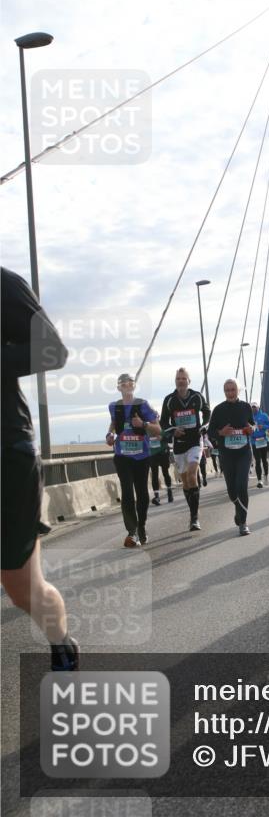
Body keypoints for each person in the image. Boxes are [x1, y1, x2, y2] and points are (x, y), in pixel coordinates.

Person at [1, 267, 79, 671]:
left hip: (6, 457)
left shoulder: (5, 285)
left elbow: (53, 350)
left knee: (22, 588)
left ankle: (61, 643)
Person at [106, 374, 161, 547]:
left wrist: (143, 424)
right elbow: (114, 424)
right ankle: (132, 531)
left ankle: (141, 526)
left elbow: (158, 430)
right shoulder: (114, 406)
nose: (127, 385)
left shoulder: (143, 405)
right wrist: (110, 435)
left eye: (130, 382)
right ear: (119, 388)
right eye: (123, 383)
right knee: (127, 491)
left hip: (141, 456)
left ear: (134, 385)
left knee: (142, 494)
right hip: (122, 456)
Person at [160, 368, 210, 532]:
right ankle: (192, 511)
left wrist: (203, 427)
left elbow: (207, 412)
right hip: (179, 444)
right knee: (185, 482)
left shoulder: (197, 396)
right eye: (178, 378)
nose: (181, 381)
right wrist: (173, 430)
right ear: (175, 381)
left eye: (184, 378)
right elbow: (163, 423)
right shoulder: (169, 400)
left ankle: (195, 518)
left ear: (189, 381)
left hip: (195, 441)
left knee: (191, 474)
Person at [207, 379, 254, 535]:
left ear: (238, 390)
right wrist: (221, 432)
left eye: (233, 389)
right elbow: (210, 432)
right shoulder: (218, 409)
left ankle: (243, 522)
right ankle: (238, 508)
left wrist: (250, 429)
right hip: (226, 454)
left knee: (242, 486)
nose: (230, 393)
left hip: (244, 452)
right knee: (232, 491)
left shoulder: (246, 407)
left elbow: (252, 425)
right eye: (227, 390)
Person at [148, 426, 173, 505]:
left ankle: (169, 491)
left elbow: (170, 438)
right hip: (152, 454)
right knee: (154, 474)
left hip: (163, 452)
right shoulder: (145, 429)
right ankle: (156, 497)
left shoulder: (162, 426)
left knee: (165, 472)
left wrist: (162, 438)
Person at [250, 401, 269, 487]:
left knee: (264, 460)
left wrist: (263, 427)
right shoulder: (249, 417)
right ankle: (259, 480)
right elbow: (245, 429)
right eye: (252, 407)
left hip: (263, 440)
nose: (253, 409)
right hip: (254, 441)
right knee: (257, 461)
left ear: (258, 407)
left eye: (255, 407)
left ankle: (265, 476)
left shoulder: (264, 415)